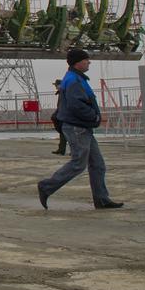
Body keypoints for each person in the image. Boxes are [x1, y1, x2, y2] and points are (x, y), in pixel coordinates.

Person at [37, 49, 123, 210]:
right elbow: (77, 105)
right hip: (78, 128)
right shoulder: (74, 81)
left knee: (98, 164)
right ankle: (46, 186)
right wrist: (94, 117)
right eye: (86, 60)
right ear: (78, 62)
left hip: (83, 128)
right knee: (78, 163)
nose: (89, 62)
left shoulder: (75, 78)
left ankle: (101, 199)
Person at [49, 79, 67, 155]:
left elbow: (62, 106)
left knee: (66, 133)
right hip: (63, 115)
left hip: (64, 116)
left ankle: (62, 150)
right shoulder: (62, 93)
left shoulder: (64, 93)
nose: (56, 87)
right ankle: (61, 149)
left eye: (56, 85)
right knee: (63, 133)